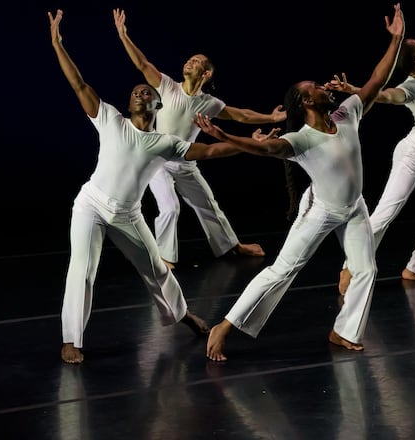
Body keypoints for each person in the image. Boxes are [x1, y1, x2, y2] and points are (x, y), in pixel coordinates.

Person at [48, 9, 274, 364]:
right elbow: (78, 83)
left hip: (128, 214)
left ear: (157, 103)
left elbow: (210, 151)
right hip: (91, 205)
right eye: (135, 92)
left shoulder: (164, 142)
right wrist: (57, 44)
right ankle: (71, 339)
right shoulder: (110, 119)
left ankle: (183, 315)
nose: (140, 92)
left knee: (157, 270)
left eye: (145, 92)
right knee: (82, 268)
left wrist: (248, 143)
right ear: (130, 103)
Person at [197, 4, 406, 362]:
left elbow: (376, 79)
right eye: (317, 87)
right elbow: (266, 149)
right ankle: (225, 326)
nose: (324, 86)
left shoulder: (347, 114)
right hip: (320, 211)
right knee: (282, 270)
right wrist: (226, 136)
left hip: (354, 207)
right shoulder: (302, 139)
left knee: (367, 269)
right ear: (307, 101)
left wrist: (396, 40)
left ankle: (344, 331)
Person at [113, 9, 287, 269]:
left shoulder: (209, 103)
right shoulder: (168, 86)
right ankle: (163, 257)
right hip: (158, 161)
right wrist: (123, 36)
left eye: (196, 62)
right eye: (190, 59)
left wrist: (271, 118)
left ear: (206, 74)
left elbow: (241, 115)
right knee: (170, 207)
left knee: (208, 204)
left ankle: (231, 246)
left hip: (186, 162)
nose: (189, 62)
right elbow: (142, 64)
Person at [328, 0, 415, 294]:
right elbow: (383, 96)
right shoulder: (411, 88)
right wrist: (354, 90)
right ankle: (350, 267)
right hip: (414, 155)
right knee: (386, 212)